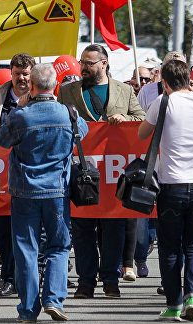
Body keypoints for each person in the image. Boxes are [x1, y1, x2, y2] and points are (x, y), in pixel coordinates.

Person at [0, 63, 86, 323]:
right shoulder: (67, 113)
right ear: (55, 86)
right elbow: (84, 132)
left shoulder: (22, 115)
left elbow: (1, 140)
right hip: (57, 190)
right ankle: (53, 299)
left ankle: (27, 309)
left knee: (26, 249)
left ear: (31, 87)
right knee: (58, 246)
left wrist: (22, 107)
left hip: (25, 191)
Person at [58, 44, 145, 298]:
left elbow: (140, 119)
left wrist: (124, 119)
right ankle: (86, 281)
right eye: (82, 62)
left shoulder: (125, 90)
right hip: (82, 168)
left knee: (113, 227)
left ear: (104, 63)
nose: (83, 67)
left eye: (89, 63)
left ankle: (110, 279)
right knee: (83, 226)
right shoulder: (68, 91)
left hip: (112, 170)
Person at [137, 59, 193, 321]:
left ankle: (173, 303)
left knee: (171, 248)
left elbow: (141, 133)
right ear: (188, 79)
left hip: (173, 184)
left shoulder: (162, 102)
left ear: (165, 82)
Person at [0, 53, 35, 297]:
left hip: (32, 175)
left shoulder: (44, 97)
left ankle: (32, 278)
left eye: (26, 74)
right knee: (5, 231)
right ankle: (8, 279)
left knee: (31, 232)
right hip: (3, 177)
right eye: (17, 73)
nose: (21, 78)